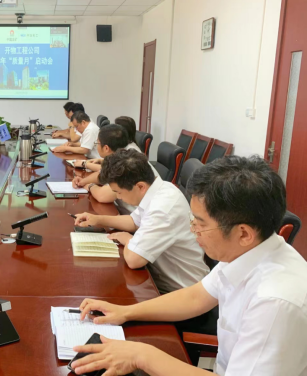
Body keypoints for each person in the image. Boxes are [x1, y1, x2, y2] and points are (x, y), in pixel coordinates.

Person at [71, 156, 307, 376]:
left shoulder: (275, 302)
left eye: (200, 224)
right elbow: (196, 297)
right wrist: (125, 312)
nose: (192, 230)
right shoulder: (246, 250)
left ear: (243, 233)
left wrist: (141, 355)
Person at [75, 149, 209, 294]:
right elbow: (134, 221)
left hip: (181, 291)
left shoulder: (162, 209)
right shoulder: (159, 189)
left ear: (140, 186)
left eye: (119, 192)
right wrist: (98, 219)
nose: (118, 197)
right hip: (159, 277)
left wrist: (127, 239)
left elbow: (134, 260)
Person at [71, 124, 159, 208]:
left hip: (133, 214)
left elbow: (102, 196)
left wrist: (90, 186)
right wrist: (83, 181)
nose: (96, 146)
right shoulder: (123, 154)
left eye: (97, 143)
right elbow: (102, 174)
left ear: (106, 148)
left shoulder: (126, 164)